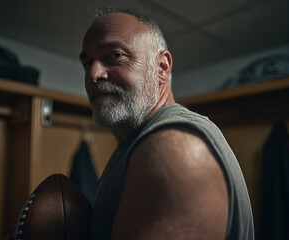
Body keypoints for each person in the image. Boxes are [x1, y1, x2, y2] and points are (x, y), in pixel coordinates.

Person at [79, 8, 254, 240]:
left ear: (162, 67)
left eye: (115, 56)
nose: (94, 74)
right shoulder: (134, 147)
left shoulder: (175, 149)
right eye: (87, 63)